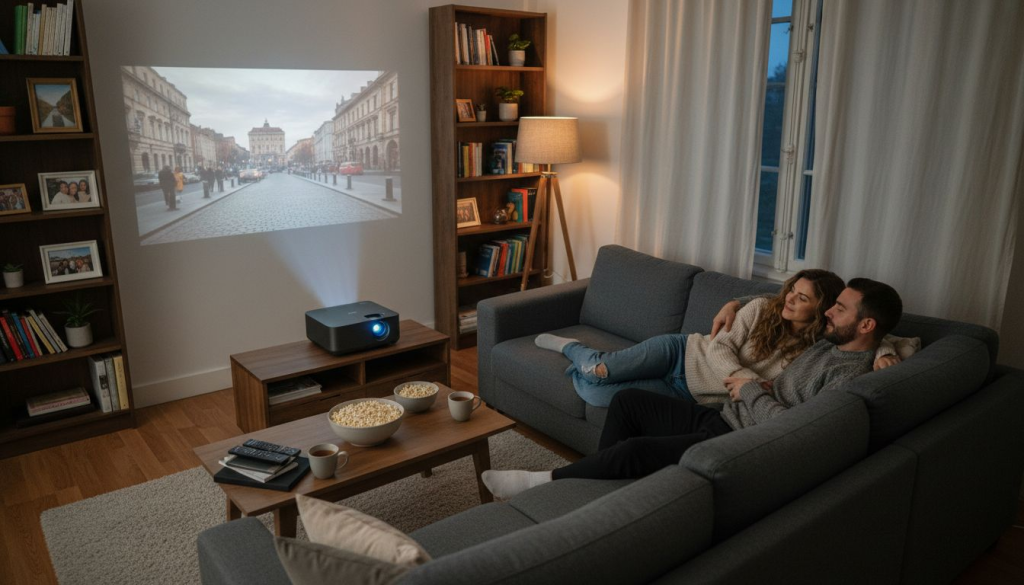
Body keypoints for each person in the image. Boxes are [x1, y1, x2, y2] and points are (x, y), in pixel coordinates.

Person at [482, 278, 905, 498]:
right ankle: (602, 488)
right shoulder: (832, 340)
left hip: (738, 434)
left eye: (837, 308)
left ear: (865, 324)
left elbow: (797, 430)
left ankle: (546, 482)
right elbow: (893, 334)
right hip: (713, 396)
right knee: (625, 399)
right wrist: (733, 303)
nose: (830, 312)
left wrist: (752, 390)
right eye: (831, 305)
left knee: (633, 447)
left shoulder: (848, 373)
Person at [534, 270, 900, 408]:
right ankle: (575, 349)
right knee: (600, 372)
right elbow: (720, 346)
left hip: (692, 393)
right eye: (791, 291)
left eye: (802, 298)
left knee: (598, 395)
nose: (789, 299)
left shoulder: (826, 338)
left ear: (823, 309)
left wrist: (883, 349)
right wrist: (748, 381)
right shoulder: (760, 308)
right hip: (681, 354)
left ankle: (581, 366)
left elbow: (888, 334)